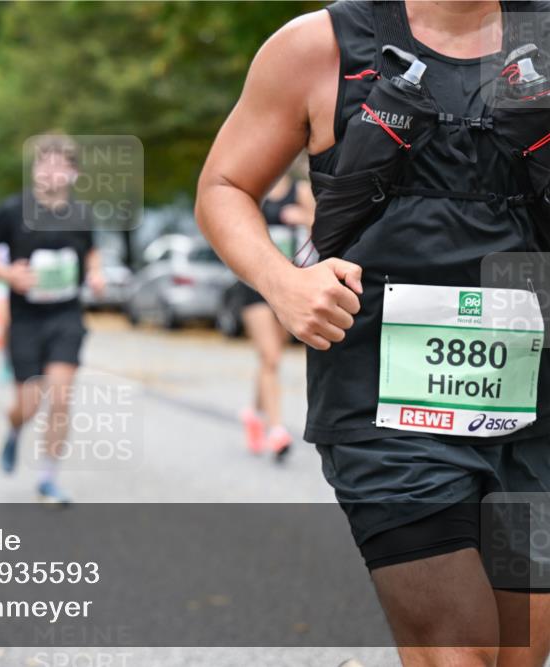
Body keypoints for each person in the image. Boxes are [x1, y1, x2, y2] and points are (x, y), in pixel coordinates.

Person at [195, 2, 549, 665]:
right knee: (459, 649)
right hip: (386, 405)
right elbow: (223, 185)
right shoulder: (319, 46)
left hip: (535, 402)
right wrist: (284, 282)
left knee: (519, 653)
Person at [0, 134, 105, 506]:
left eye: (59, 164)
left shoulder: (81, 214)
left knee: (61, 398)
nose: (50, 172)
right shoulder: (11, 211)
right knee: (28, 405)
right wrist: (6, 274)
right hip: (26, 319)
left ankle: (48, 479)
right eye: (43, 164)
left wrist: (96, 275)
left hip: (66, 315)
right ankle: (15, 428)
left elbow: (92, 253)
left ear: (73, 174)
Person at [237, 171, 314, 461]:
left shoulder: (301, 191)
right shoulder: (251, 188)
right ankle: (277, 429)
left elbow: (326, 227)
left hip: (290, 282)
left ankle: (252, 413)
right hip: (255, 284)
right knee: (271, 357)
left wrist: (304, 218)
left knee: (272, 356)